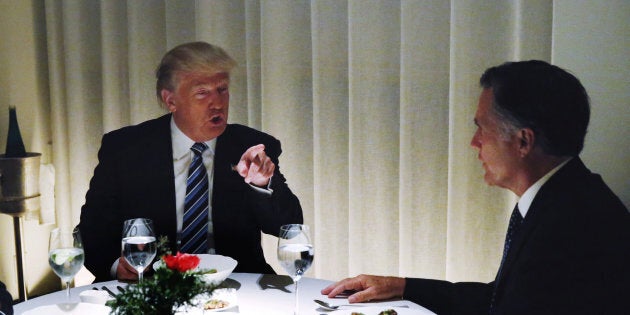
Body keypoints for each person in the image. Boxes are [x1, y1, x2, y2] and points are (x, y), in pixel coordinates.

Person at [321, 60, 630, 314]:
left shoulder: (572, 224)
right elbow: (501, 300)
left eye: (483, 129)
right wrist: (403, 287)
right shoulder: (563, 198)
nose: (474, 143)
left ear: (523, 141)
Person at [78, 41, 303, 282]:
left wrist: (261, 185)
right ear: (171, 100)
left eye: (222, 89)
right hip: (152, 284)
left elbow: (289, 227)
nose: (217, 103)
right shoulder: (125, 149)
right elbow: (92, 230)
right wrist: (117, 266)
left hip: (237, 282)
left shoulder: (251, 146)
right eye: (202, 92)